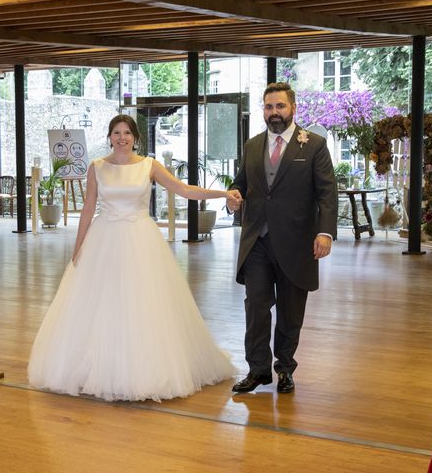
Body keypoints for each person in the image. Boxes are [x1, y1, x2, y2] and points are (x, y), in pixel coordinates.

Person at [28, 114, 241, 402]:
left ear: (135, 137)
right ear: (109, 137)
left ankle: (144, 369)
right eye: (116, 132)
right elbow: (88, 209)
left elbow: (184, 189)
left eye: (127, 132)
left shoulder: (149, 165)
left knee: (143, 304)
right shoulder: (97, 167)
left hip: (141, 240)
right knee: (102, 304)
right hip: (104, 240)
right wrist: (77, 249)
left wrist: (221, 192)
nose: (122, 137)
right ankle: (99, 367)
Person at [227, 82, 338, 394]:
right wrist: (233, 196)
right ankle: (258, 370)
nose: (273, 113)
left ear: (293, 108)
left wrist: (325, 232)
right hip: (257, 242)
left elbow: (328, 193)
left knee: (290, 311)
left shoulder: (313, 145)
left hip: (297, 243)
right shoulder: (252, 146)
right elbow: (241, 184)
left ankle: (285, 368)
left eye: (279, 107)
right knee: (256, 307)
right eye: (268, 107)